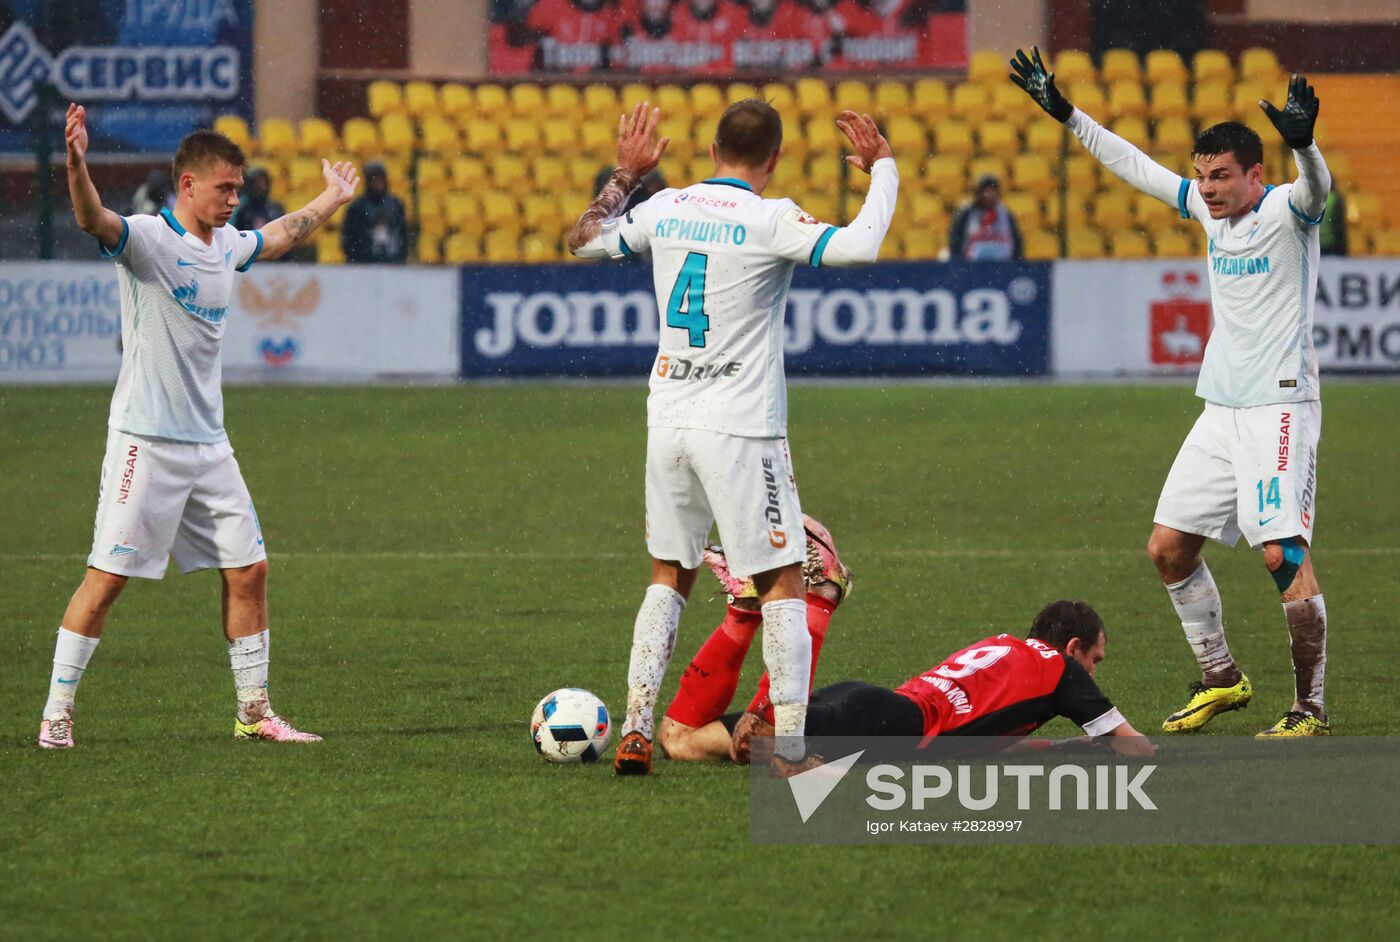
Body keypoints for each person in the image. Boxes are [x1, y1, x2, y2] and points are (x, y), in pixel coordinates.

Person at [568, 99, 898, 775]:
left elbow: (583, 240)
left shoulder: (666, 208)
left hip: (669, 420)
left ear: (712, 149)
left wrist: (625, 173)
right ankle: (793, 752)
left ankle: (634, 726)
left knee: (670, 575)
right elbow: (861, 245)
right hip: (743, 429)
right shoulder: (769, 217)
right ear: (773, 160)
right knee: (782, 582)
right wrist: (883, 169)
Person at [1011, 49, 1333, 737]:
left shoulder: (1289, 211)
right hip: (1221, 407)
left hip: (1279, 406)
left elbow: (1318, 189)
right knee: (1167, 549)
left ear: (1256, 174)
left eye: (1222, 176)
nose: (1208, 188)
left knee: (1282, 554)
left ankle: (1309, 709)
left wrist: (1304, 145)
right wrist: (1067, 114)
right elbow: (1133, 164)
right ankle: (1223, 678)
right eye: (1202, 176)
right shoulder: (1207, 212)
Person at [39, 104, 360, 749]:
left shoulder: (227, 245)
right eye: (225, 189)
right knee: (106, 581)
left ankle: (254, 713)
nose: (234, 201)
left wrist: (331, 196)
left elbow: (283, 233)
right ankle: (56, 715)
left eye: (239, 190)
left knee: (250, 571)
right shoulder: (148, 241)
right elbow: (90, 219)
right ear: (188, 185)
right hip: (145, 444)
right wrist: (76, 163)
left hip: (210, 447)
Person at [659, 538, 1153, 763]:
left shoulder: (1004, 647)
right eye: (1095, 660)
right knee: (767, 747)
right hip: (887, 725)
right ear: (1072, 647)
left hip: (871, 707)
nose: (1092, 671)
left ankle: (743, 616)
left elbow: (975, 736)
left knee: (682, 741)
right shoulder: (1061, 670)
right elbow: (1133, 746)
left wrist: (1058, 747)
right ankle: (817, 600)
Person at [340, 161, 408, 264]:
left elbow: (404, 235)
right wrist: (356, 260)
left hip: (393, 264)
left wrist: (399, 258)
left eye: (380, 178)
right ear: (368, 181)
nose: (377, 182)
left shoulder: (396, 205)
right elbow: (348, 237)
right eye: (374, 178)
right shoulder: (357, 207)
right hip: (364, 265)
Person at [947, 173, 1023, 261]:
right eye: (987, 191)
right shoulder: (966, 213)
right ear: (978, 193)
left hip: (1003, 266)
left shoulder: (1006, 214)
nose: (990, 195)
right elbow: (955, 240)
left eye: (994, 191)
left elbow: (1017, 243)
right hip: (971, 267)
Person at [229, 166, 286, 233]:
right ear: (250, 184)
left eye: (263, 182)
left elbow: (282, 232)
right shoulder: (241, 208)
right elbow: (231, 231)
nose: (261, 187)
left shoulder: (276, 208)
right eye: (257, 182)